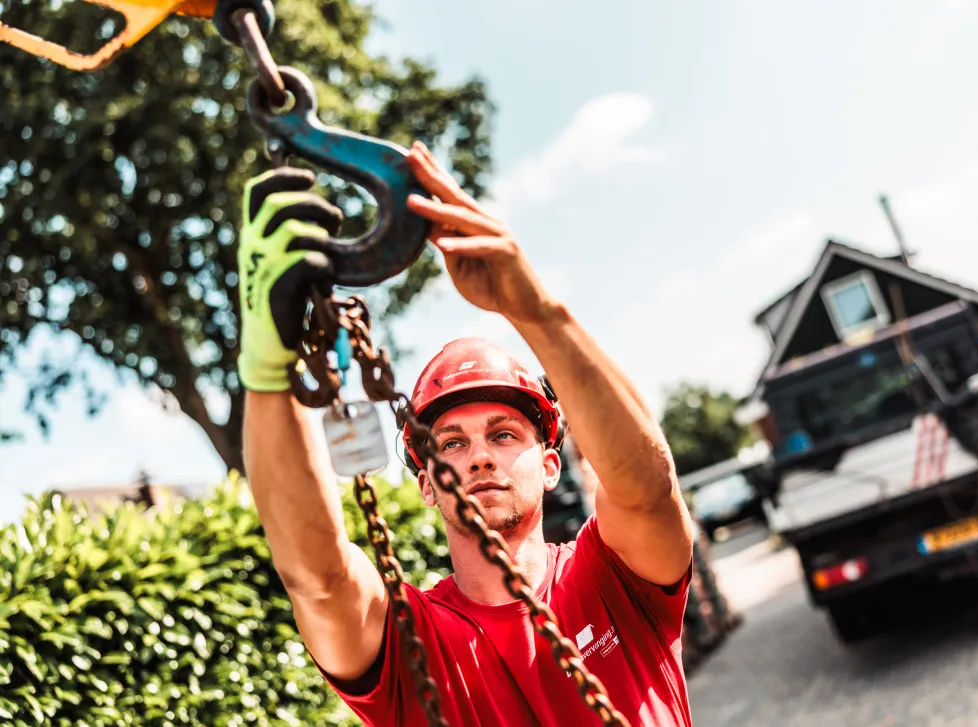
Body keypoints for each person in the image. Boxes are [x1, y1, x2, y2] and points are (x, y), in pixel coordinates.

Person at [236, 141, 696, 726]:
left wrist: (536, 310)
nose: (479, 455)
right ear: (427, 485)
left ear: (550, 465)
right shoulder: (410, 642)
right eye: (450, 443)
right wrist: (269, 368)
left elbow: (648, 490)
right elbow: (320, 580)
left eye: (504, 435)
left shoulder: (611, 579)